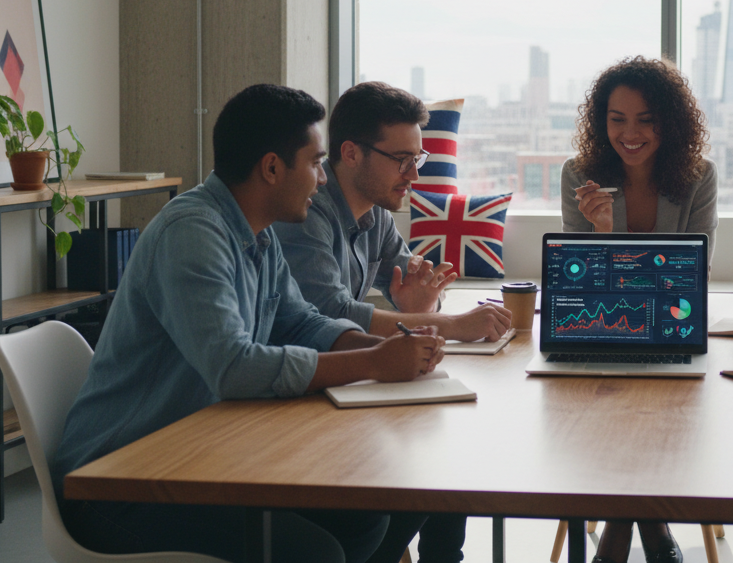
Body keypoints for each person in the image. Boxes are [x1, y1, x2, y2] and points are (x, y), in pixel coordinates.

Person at [53, 85, 445, 563]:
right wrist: (373, 362)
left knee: (370, 519)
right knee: (316, 554)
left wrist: (383, 350)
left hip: (201, 458)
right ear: (272, 168)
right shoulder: (193, 234)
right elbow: (233, 367)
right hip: (121, 482)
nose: (323, 180)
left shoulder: (257, 234)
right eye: (316, 163)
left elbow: (301, 321)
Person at [274, 81, 513, 562]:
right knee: (429, 461)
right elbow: (333, 312)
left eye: (418, 160)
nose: (414, 175)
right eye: (402, 160)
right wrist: (454, 325)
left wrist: (421, 307)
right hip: (303, 401)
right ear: (352, 154)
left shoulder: (376, 214)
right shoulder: (307, 213)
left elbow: (414, 296)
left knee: (444, 443)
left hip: (343, 383)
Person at [560, 56, 716, 563]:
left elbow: (690, 278)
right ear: (600, 120)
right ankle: (654, 530)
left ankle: (619, 535)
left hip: (670, 332)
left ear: (669, 122)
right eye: (616, 118)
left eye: (646, 119)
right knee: (616, 405)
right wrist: (602, 232)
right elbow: (580, 293)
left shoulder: (698, 177)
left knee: (650, 406)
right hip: (600, 333)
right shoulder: (579, 174)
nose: (630, 133)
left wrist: (612, 253)